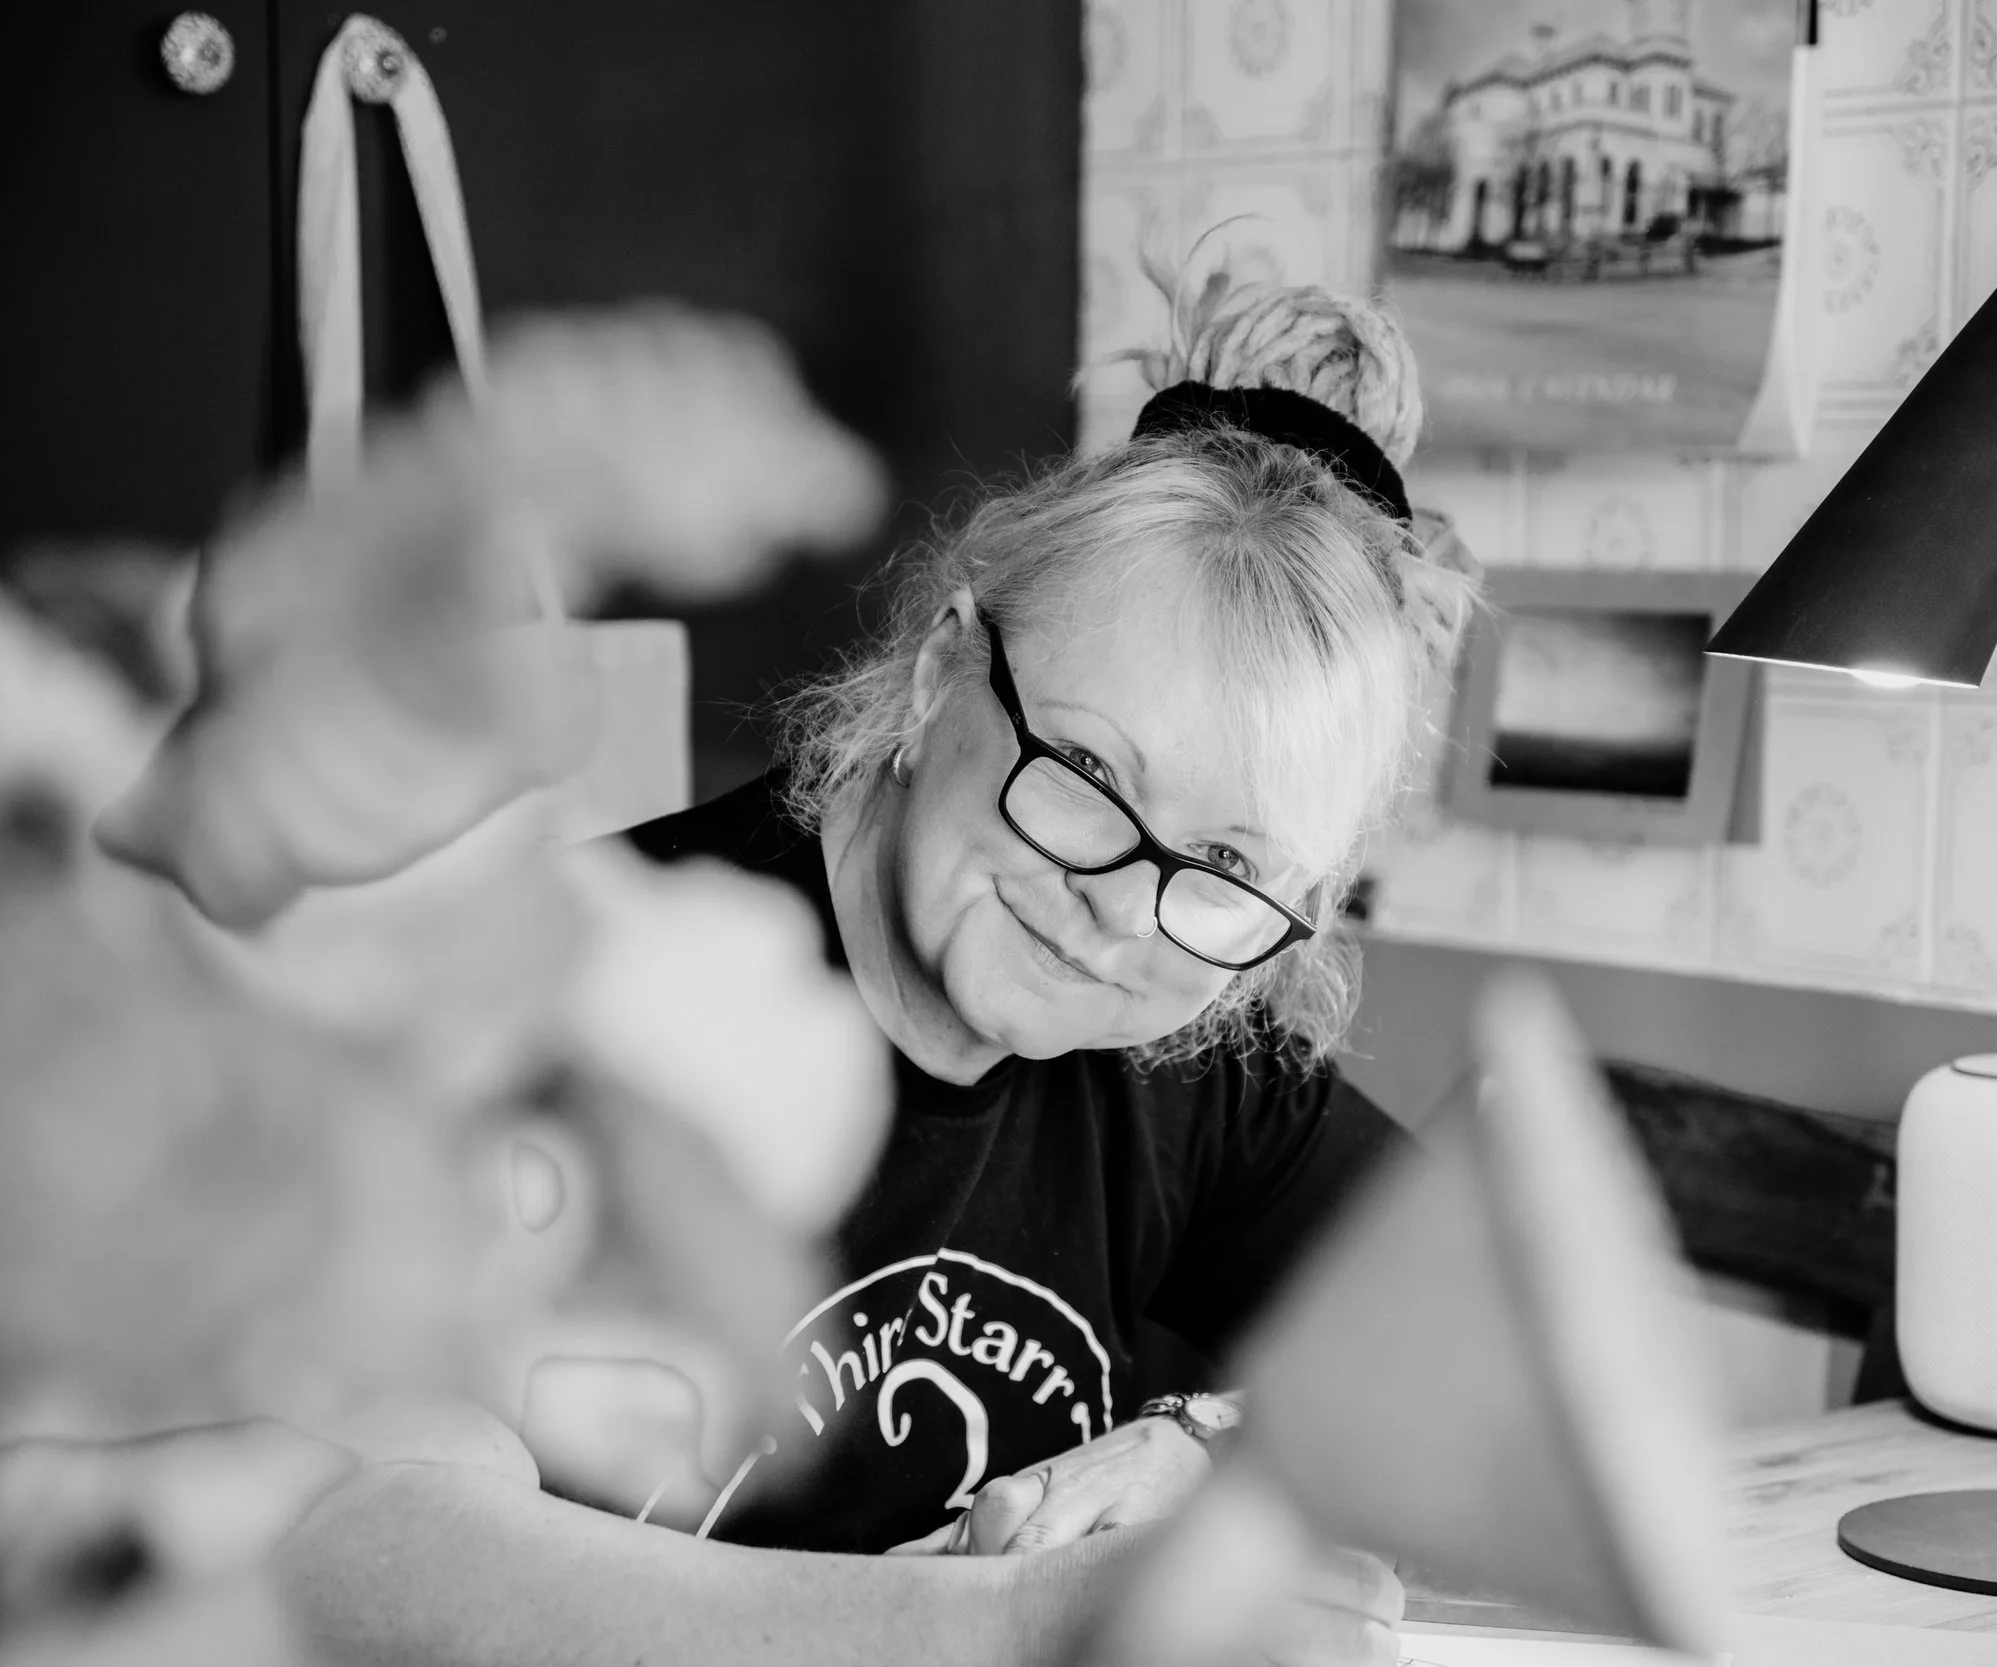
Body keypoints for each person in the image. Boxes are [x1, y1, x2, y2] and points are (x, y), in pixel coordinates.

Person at [279, 274, 1480, 1667]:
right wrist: (995, 1629)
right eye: (1089, 773)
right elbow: (349, 1537)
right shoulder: (612, 977)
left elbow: (1489, 1348)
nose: (1118, 908)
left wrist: (1200, 1449)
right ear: (944, 668)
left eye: (1228, 865)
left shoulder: (1190, 1065)